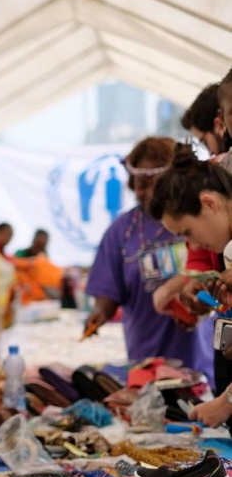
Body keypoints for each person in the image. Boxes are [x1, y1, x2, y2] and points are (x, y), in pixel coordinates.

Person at [83, 136, 214, 385]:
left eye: (153, 183)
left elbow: (212, 270)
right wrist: (99, 314)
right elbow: (108, 292)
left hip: (202, 357)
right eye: (140, 184)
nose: (146, 192)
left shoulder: (199, 217)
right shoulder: (120, 232)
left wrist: (174, 291)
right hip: (146, 361)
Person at [149, 143, 232, 426]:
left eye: (189, 233)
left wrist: (227, 402)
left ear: (209, 203)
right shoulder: (226, 251)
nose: (194, 246)